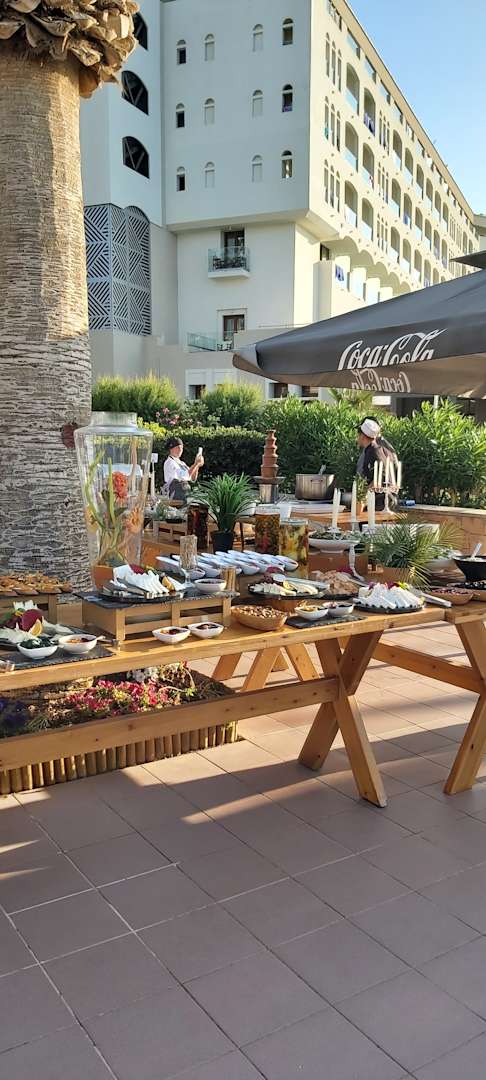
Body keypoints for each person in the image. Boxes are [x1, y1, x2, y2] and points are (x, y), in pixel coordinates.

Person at [163, 437, 204, 502]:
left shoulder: (182, 463)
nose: (180, 450)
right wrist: (195, 464)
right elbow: (184, 475)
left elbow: (193, 478)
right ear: (171, 449)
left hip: (184, 494)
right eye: (178, 448)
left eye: (182, 448)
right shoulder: (169, 462)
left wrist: (198, 465)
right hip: (175, 495)